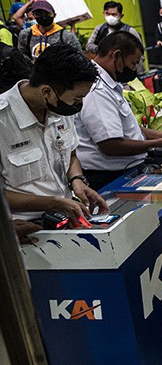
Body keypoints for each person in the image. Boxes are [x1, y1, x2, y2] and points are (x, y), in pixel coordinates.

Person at [0, 44, 109, 244]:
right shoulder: (3, 121)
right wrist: (53, 203)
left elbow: (71, 154)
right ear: (47, 91)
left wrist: (77, 180)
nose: (79, 105)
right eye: (77, 98)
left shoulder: (58, 109)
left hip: (64, 219)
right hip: (23, 232)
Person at [76, 32, 162, 189]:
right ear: (117, 55)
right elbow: (110, 145)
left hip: (126, 170)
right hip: (109, 177)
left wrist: (160, 135)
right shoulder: (97, 90)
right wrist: (158, 143)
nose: (134, 69)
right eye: (133, 63)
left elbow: (124, 128)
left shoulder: (110, 83)